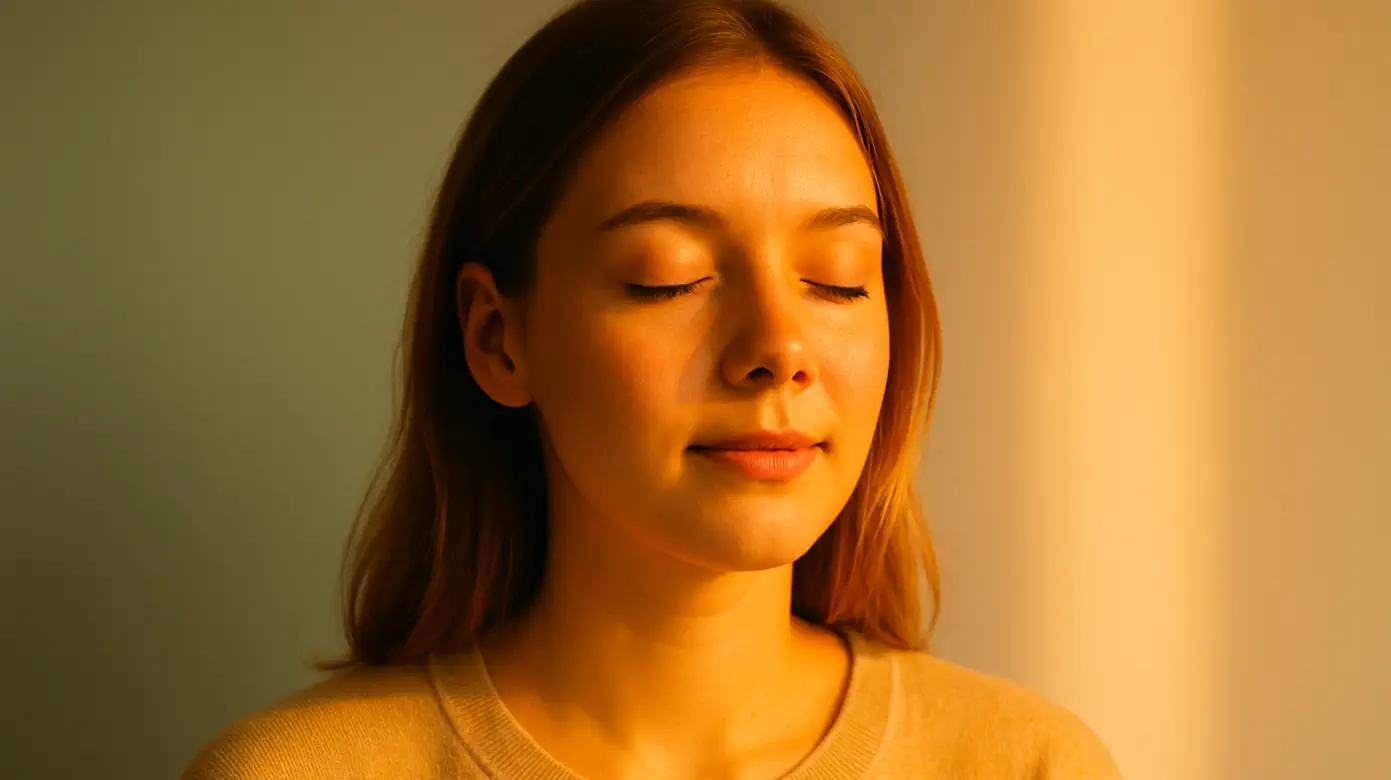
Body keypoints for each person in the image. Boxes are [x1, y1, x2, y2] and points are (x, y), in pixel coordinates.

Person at [182, 0, 1121, 777]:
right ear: (498, 338)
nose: (778, 348)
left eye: (836, 276)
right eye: (667, 278)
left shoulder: (1027, 763)